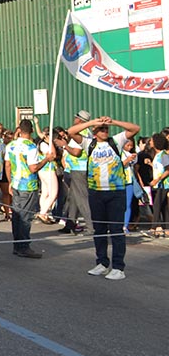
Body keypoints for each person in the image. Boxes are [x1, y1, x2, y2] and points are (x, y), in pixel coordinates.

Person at [68, 115, 140, 280]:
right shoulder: (89, 143)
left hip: (116, 192)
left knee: (116, 230)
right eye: (101, 129)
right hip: (96, 192)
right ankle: (102, 262)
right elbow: (71, 131)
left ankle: (118, 267)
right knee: (99, 230)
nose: (104, 130)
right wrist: (93, 122)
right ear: (94, 131)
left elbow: (135, 128)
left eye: (106, 129)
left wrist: (113, 122)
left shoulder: (116, 141)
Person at [5, 119, 48, 258]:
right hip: (27, 185)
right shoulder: (31, 147)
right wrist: (46, 159)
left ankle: (17, 245)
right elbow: (33, 167)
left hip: (16, 183)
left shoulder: (11, 145)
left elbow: (7, 165)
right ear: (32, 131)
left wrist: (10, 182)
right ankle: (23, 246)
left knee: (17, 215)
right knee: (25, 217)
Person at [149, 133, 169, 238]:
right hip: (159, 185)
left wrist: (157, 179)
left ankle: (154, 228)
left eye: (151, 140)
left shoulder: (163, 155)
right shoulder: (157, 155)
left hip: (163, 185)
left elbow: (168, 169)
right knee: (164, 207)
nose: (150, 142)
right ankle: (167, 229)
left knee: (156, 205)